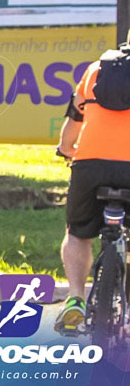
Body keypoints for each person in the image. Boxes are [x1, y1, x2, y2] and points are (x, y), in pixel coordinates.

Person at [54, 30, 130, 334]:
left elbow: (75, 117)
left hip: (91, 164)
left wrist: (65, 149)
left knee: (78, 233)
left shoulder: (96, 69)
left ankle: (76, 298)